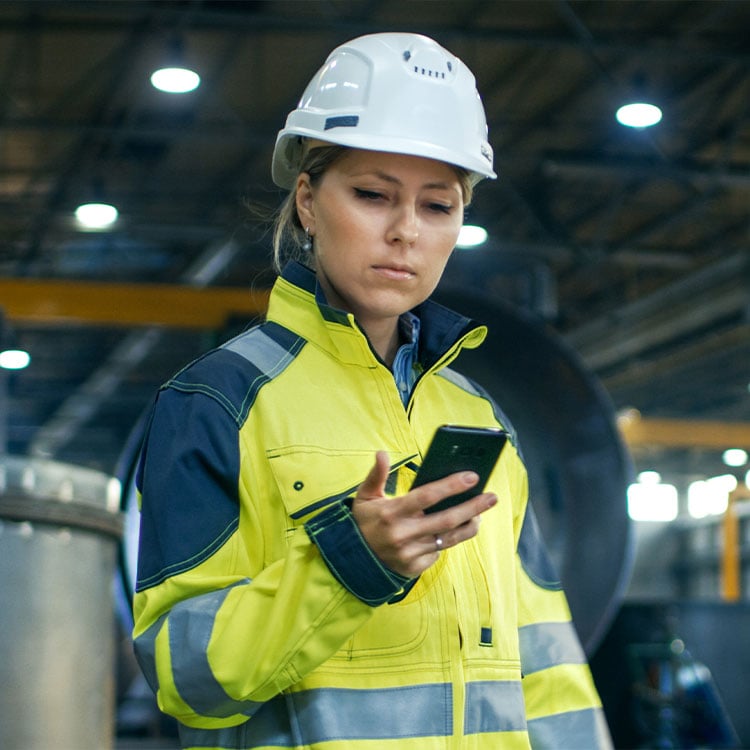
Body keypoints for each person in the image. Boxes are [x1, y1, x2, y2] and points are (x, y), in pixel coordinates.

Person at [132, 32, 612, 749]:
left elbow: (545, 662)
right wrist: (345, 564)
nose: (405, 233)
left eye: (438, 206)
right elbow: (184, 678)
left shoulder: (479, 417)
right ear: (307, 202)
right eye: (371, 194)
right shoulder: (217, 403)